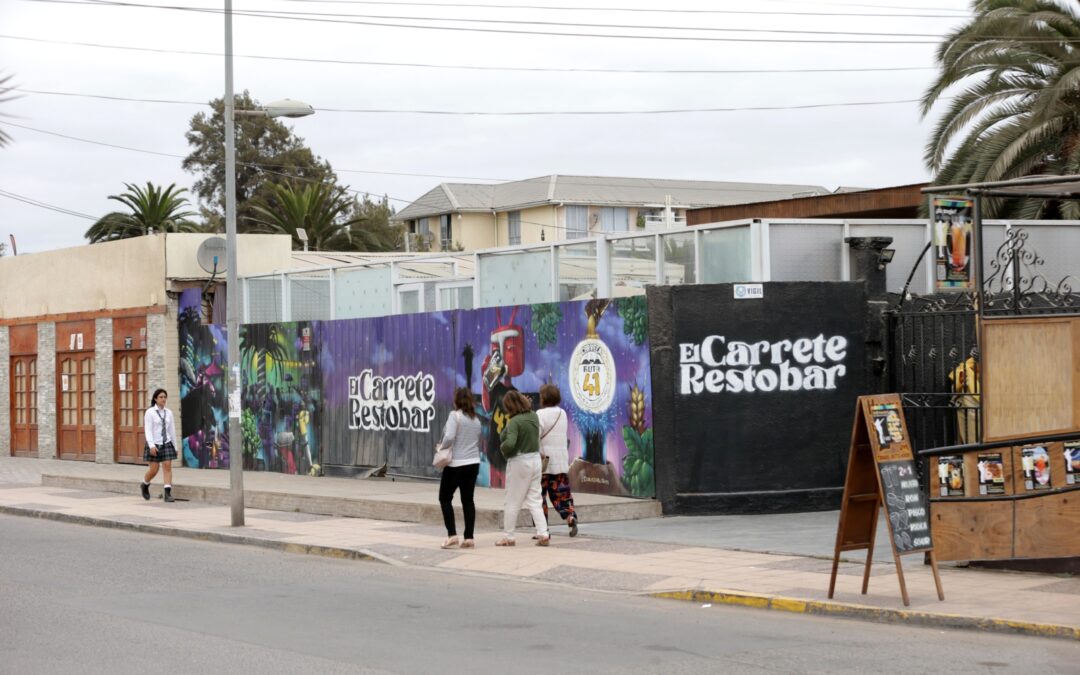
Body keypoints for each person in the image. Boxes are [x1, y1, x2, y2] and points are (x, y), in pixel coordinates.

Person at [496, 390, 549, 547]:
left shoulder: (515, 422)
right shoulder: (533, 416)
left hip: (519, 462)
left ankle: (509, 536)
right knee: (535, 499)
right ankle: (543, 533)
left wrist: (503, 447)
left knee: (512, 501)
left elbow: (509, 442)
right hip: (535, 460)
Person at [436, 387, 483, 549]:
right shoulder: (476, 420)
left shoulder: (454, 416)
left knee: (444, 497)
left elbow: (449, 436)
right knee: (468, 500)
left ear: (457, 400)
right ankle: (469, 537)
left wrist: (442, 447)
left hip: (456, 464)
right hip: (473, 463)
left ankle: (452, 535)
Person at [537, 384, 577, 537]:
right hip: (560, 461)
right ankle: (570, 517)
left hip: (544, 463)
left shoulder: (539, 414)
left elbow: (537, 436)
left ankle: (543, 529)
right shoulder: (563, 413)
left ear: (544, 398)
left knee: (539, 497)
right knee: (562, 494)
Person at [140, 388, 178, 503]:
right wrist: (151, 445)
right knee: (154, 469)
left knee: (167, 466)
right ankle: (145, 484)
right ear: (155, 399)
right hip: (154, 443)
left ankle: (167, 494)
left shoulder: (169, 413)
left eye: (165, 397)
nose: (163, 399)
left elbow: (172, 430)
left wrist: (175, 446)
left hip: (166, 443)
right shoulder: (150, 412)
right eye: (161, 397)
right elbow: (148, 430)